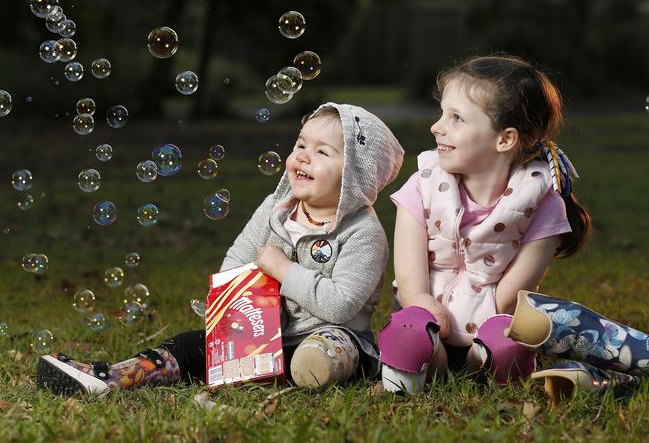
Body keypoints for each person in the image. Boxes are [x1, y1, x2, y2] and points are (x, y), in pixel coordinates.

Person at [37, 103, 404, 396]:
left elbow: (339, 304)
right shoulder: (275, 209)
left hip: (333, 335)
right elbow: (237, 261)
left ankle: (306, 372)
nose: (303, 157)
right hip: (263, 339)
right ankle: (116, 376)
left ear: (357, 177)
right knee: (190, 343)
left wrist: (281, 269)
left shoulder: (364, 234)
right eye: (300, 145)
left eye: (322, 152)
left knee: (330, 348)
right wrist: (236, 315)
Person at [378, 55, 592, 393]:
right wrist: (420, 298)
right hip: (424, 312)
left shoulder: (541, 203)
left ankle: (483, 361)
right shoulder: (424, 183)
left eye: (457, 118)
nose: (437, 126)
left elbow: (513, 294)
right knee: (410, 330)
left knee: (509, 343)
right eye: (442, 113)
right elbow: (407, 270)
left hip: (491, 318)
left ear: (504, 139)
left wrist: (487, 329)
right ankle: (423, 360)